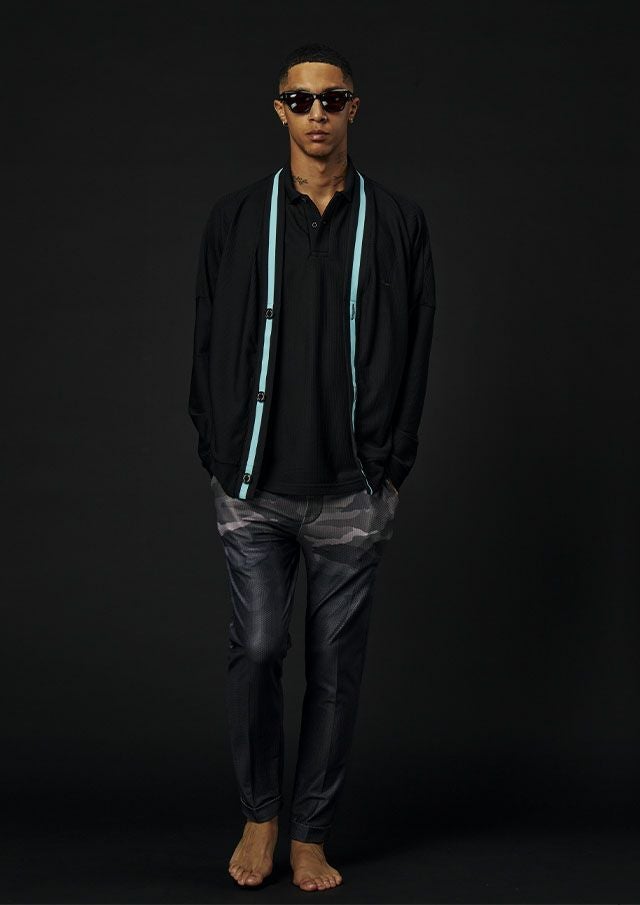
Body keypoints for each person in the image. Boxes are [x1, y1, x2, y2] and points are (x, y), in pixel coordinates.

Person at [188, 43, 437, 892]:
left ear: (353, 108)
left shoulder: (398, 222)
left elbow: (419, 347)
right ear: (280, 110)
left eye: (332, 99)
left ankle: (309, 832)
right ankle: (261, 810)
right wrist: (218, 446)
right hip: (253, 483)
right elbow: (206, 340)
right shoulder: (235, 218)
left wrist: (392, 462)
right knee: (259, 646)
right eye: (301, 100)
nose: (317, 113)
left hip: (353, 487)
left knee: (335, 669)